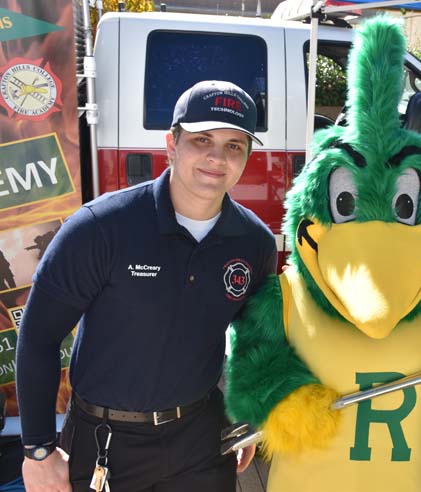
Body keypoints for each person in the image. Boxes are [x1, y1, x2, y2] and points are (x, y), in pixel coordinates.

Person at [16, 80, 276, 492]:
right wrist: (37, 450)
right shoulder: (101, 228)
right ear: (171, 144)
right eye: (201, 139)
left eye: (234, 145)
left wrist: (249, 414)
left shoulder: (255, 243)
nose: (216, 157)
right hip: (105, 443)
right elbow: (38, 338)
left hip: (201, 442)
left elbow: (256, 340)